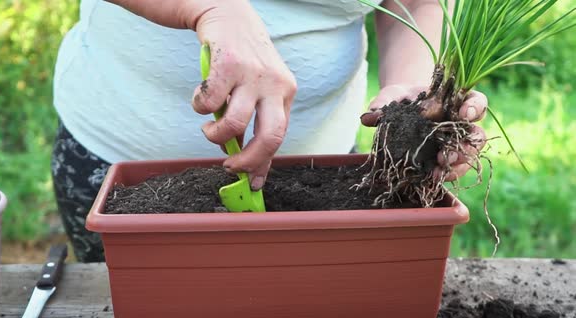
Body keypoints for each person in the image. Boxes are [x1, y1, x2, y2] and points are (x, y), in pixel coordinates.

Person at [52, 0, 487, 262]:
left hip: (334, 174)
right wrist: (209, 7)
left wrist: (412, 89)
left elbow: (414, 3)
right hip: (121, 160)